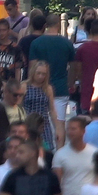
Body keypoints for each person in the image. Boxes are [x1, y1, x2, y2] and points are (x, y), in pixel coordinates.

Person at [30, 13, 76, 141]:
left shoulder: (36, 43)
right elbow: (73, 67)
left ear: (45, 26)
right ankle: (59, 152)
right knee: (59, 123)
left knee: (37, 123)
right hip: (61, 88)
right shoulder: (67, 43)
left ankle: (40, 150)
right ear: (58, 25)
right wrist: (70, 83)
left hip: (40, 87)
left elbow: (32, 67)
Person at [53, 116, 98, 195]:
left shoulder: (95, 153)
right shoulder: (60, 155)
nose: (70, 132)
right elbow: (57, 183)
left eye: (74, 129)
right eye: (68, 129)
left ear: (83, 131)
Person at [0, 17, 25, 81]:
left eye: (4, 30)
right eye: (0, 30)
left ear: (8, 30)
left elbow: (18, 69)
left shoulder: (16, 48)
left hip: (10, 82)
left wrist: (17, 84)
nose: (2, 33)